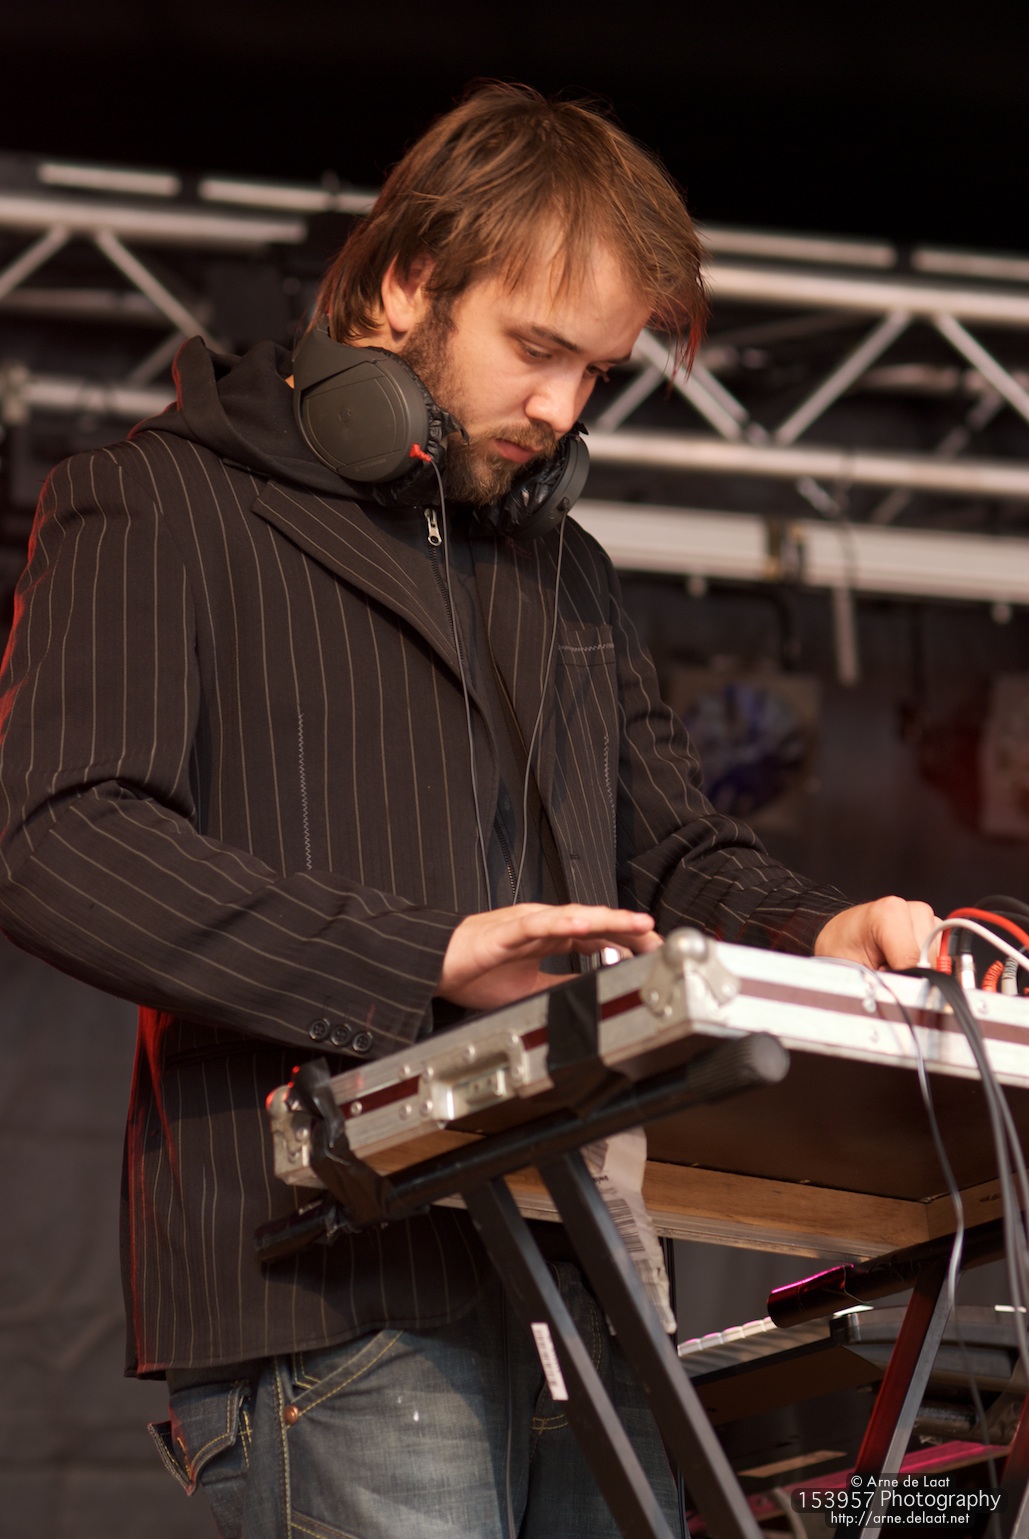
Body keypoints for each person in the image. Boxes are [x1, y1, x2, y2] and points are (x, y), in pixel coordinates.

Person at [0, 83, 932, 1538]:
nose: (563, 408)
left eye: (597, 372)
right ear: (401, 285)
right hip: (332, 1289)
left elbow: (676, 851)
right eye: (536, 350)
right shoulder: (157, 503)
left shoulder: (567, 574)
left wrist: (825, 931)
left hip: (587, 1291)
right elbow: (60, 838)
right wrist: (423, 957)